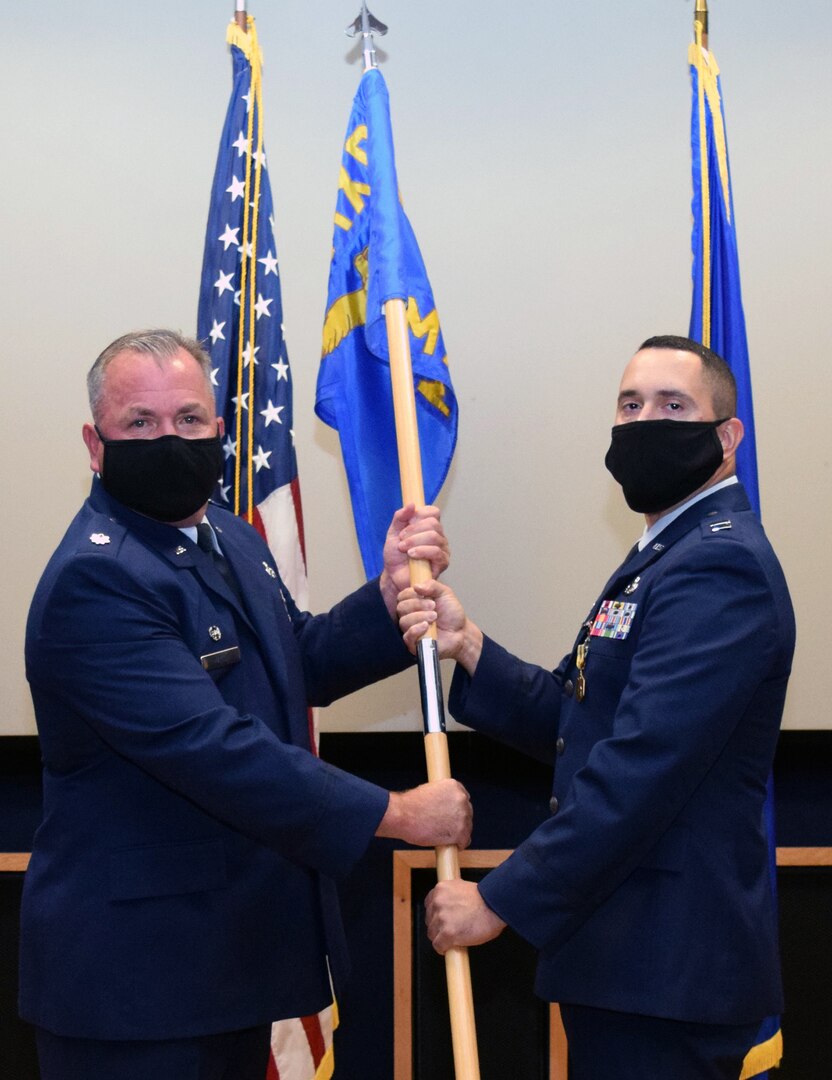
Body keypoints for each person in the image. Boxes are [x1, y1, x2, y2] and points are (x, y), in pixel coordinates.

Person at [21, 328, 472, 1080]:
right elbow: (213, 748)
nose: (170, 439)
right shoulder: (95, 581)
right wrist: (395, 813)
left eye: (190, 420)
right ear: (95, 445)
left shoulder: (224, 534)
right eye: (141, 423)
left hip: (224, 966)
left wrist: (390, 594)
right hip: (134, 988)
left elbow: (290, 662)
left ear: (220, 429)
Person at [398, 336, 795, 1080]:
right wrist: (471, 645)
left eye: (673, 406)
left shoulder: (719, 565)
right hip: (627, 960)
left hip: (666, 966)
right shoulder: (664, 554)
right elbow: (581, 715)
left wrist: (500, 900)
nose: (646, 422)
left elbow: (641, 767)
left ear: (728, 436)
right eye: (630, 405)